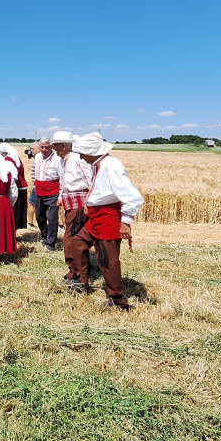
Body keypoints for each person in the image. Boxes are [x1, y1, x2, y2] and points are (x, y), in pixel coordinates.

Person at [77, 132, 145, 310]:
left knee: (107, 259)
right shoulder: (99, 164)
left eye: (82, 152)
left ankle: (118, 300)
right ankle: (81, 279)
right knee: (78, 242)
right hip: (97, 217)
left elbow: (131, 196)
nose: (81, 156)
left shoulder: (111, 166)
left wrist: (126, 221)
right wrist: (89, 204)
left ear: (92, 151)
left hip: (108, 218)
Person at [52, 130, 95, 289]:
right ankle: (77, 270)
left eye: (55, 145)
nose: (53, 148)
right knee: (72, 238)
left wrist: (88, 204)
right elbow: (64, 183)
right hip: (72, 202)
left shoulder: (76, 159)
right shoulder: (66, 160)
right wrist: (60, 197)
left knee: (71, 239)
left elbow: (90, 180)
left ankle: (76, 273)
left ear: (64, 146)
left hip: (79, 203)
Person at [32, 136, 62, 252]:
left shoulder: (57, 159)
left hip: (52, 192)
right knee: (39, 217)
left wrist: (60, 195)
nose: (44, 150)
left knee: (52, 218)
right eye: (42, 147)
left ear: (51, 147)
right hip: (39, 191)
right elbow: (36, 172)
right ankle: (45, 237)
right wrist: (35, 186)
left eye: (47, 147)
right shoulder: (38, 156)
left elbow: (62, 177)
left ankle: (50, 244)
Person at [0, 143, 28, 230]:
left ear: (4, 153)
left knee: (13, 211)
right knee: (18, 212)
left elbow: (10, 176)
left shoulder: (7, 160)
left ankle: (11, 231)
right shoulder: (17, 159)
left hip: (15, 189)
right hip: (22, 187)